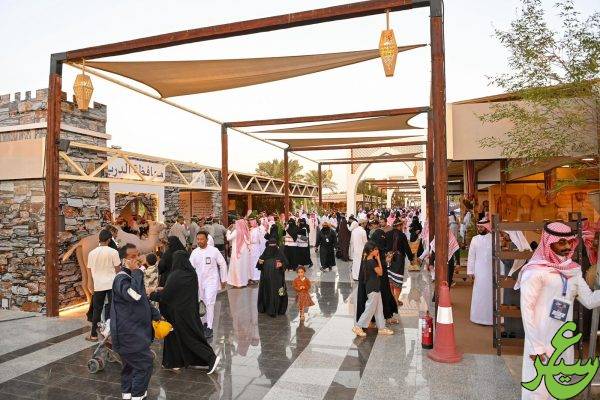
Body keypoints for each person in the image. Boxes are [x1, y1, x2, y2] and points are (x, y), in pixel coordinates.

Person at [517, 222, 600, 400]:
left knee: (560, 386)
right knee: (537, 387)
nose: (567, 246)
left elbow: (590, 301)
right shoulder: (535, 272)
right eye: (561, 242)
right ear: (549, 242)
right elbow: (527, 310)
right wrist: (536, 346)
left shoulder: (573, 271)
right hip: (540, 339)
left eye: (569, 242)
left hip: (563, 339)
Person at [149, 250, 220, 374]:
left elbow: (166, 296)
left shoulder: (175, 275)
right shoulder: (191, 273)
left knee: (189, 338)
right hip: (190, 312)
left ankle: (211, 358)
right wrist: (165, 289)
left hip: (179, 314)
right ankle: (174, 362)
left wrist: (152, 294)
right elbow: (179, 291)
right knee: (181, 337)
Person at [110, 244, 161, 400]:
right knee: (145, 364)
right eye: (132, 257)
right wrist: (137, 271)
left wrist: (155, 314)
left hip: (136, 331)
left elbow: (143, 299)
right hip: (128, 334)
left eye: (138, 255)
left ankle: (128, 394)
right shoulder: (121, 279)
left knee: (130, 366)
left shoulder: (132, 276)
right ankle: (138, 395)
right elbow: (134, 296)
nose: (137, 259)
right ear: (123, 260)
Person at [189, 231, 228, 339]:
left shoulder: (214, 251)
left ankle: (210, 327)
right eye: (198, 239)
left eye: (202, 239)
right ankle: (204, 323)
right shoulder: (195, 252)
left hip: (212, 280)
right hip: (199, 282)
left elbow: (222, 264)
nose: (199, 241)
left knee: (210, 302)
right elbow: (190, 268)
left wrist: (223, 279)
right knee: (203, 302)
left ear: (207, 239)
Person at [86, 229, 121, 342]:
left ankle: (93, 335)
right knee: (111, 308)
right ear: (109, 240)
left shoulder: (92, 253)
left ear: (99, 239)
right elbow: (117, 270)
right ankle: (110, 334)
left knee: (97, 309)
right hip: (112, 284)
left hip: (98, 285)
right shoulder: (113, 252)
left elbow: (89, 270)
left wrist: (90, 283)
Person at [353, 241, 394, 337]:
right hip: (373, 288)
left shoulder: (366, 260)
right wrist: (379, 260)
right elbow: (381, 272)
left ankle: (382, 328)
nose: (377, 251)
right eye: (375, 249)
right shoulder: (371, 261)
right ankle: (358, 326)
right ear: (371, 251)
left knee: (379, 309)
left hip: (374, 287)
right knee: (370, 309)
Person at [467, 218, 493, 325]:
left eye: (481, 227)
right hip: (479, 272)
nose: (479, 229)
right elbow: (471, 256)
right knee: (479, 294)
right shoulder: (475, 239)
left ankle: (491, 319)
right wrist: (470, 271)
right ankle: (477, 318)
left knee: (490, 294)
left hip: (491, 272)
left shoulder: (493, 238)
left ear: (487, 227)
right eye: (478, 227)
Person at [256, 239, 289, 317]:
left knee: (278, 291)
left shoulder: (279, 253)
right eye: (270, 246)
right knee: (269, 291)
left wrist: (281, 264)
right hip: (266, 279)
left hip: (277, 279)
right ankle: (268, 308)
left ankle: (279, 308)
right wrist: (260, 262)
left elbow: (286, 263)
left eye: (273, 246)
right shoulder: (265, 253)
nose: (272, 248)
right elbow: (259, 265)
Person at [385, 220, 415, 306]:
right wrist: (411, 259)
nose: (402, 227)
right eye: (401, 225)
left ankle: (392, 299)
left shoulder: (387, 234)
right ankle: (396, 300)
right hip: (398, 260)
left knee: (390, 280)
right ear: (399, 226)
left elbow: (385, 246)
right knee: (398, 280)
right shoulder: (402, 235)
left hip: (388, 259)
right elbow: (407, 248)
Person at [227, 219, 251, 288]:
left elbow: (228, 238)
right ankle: (244, 282)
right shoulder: (246, 232)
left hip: (237, 252)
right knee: (243, 267)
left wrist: (228, 230)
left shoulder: (237, 231)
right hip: (244, 253)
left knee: (237, 267)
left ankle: (238, 283)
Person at [248, 218, 264, 283]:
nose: (251, 223)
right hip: (252, 247)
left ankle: (256, 276)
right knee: (251, 262)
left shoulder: (258, 230)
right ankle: (251, 276)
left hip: (255, 247)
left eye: (252, 222)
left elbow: (259, 240)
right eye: (251, 222)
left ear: (256, 223)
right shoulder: (252, 229)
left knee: (255, 261)